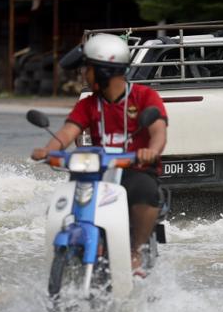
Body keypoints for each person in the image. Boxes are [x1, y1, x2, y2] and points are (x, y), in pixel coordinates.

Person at [31, 33, 169, 275]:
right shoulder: (88, 104)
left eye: (89, 69)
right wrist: (48, 150)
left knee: (145, 191)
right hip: (97, 172)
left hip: (133, 169)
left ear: (104, 71)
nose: (84, 74)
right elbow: (66, 133)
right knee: (65, 202)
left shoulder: (145, 97)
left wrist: (151, 151)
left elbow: (158, 131)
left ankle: (134, 251)